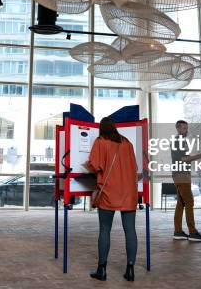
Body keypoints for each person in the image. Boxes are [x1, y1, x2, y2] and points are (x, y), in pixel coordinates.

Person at [85, 117, 138, 282]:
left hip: (109, 192)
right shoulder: (127, 142)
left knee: (105, 230)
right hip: (129, 192)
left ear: (102, 128)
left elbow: (94, 165)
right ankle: (130, 270)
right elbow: (134, 167)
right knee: (130, 230)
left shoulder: (101, 141)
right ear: (114, 127)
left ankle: (102, 270)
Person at [171, 120, 201, 241]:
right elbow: (182, 159)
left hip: (182, 174)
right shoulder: (177, 141)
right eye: (184, 128)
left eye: (187, 128)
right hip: (181, 175)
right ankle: (192, 232)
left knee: (181, 203)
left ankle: (178, 231)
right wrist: (198, 156)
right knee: (189, 201)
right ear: (178, 129)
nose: (186, 131)